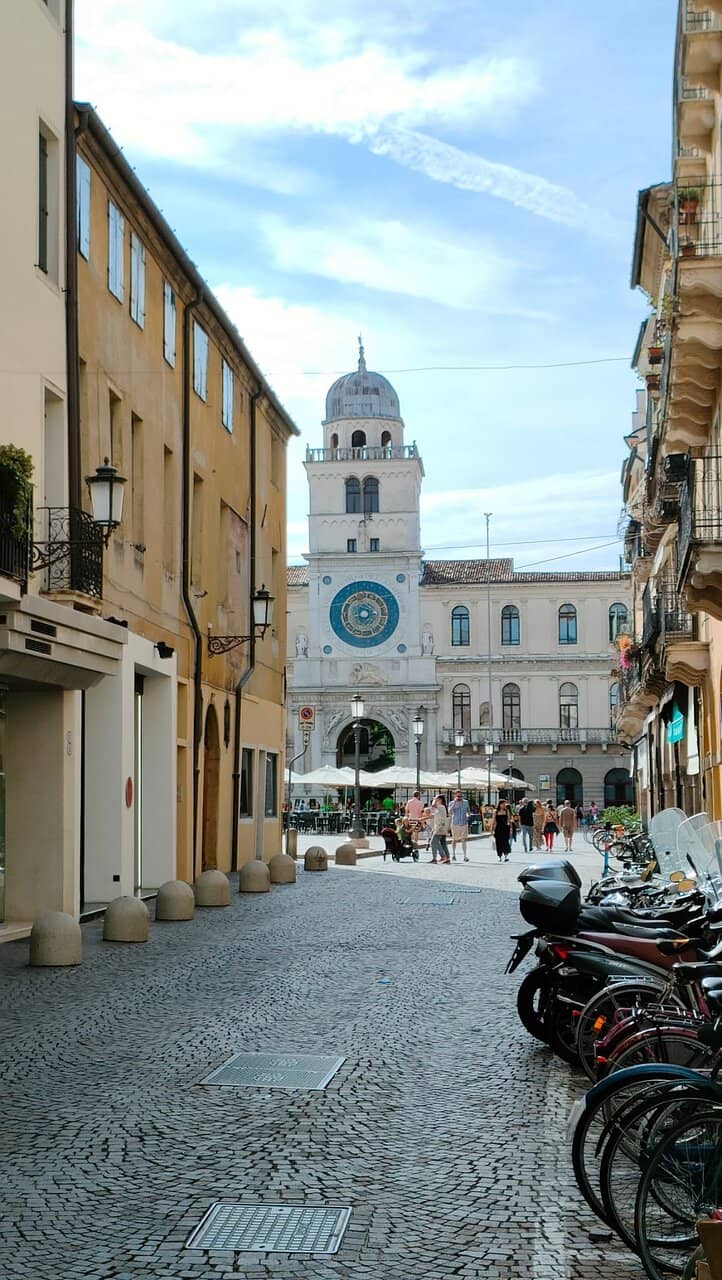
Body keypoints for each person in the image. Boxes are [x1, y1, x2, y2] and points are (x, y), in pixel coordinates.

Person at [448, 790, 471, 862]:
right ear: (455, 796)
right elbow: (449, 812)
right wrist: (454, 803)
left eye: (461, 796)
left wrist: (468, 815)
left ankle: (465, 856)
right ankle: (454, 854)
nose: (459, 798)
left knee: (463, 839)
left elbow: (468, 811)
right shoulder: (451, 803)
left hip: (464, 823)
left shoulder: (466, 802)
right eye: (458, 796)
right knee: (454, 839)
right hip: (455, 823)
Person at [430, 795, 450, 864]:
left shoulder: (440, 806)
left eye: (437, 799)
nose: (435, 800)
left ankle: (435, 858)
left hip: (439, 828)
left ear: (440, 800)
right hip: (442, 828)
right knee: (443, 843)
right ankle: (447, 858)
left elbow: (433, 805)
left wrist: (434, 799)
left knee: (433, 842)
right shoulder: (442, 807)